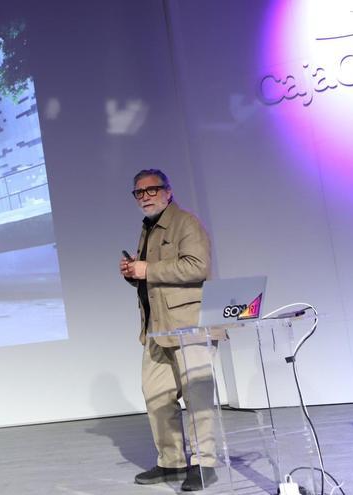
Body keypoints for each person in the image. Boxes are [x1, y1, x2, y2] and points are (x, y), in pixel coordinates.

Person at [119, 168, 225, 491]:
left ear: (168, 191)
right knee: (156, 396)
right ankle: (172, 461)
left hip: (189, 324)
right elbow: (157, 280)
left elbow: (197, 266)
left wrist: (148, 268)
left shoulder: (185, 222)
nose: (146, 196)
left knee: (197, 396)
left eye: (152, 189)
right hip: (157, 328)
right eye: (139, 192)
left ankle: (204, 463)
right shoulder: (147, 228)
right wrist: (134, 274)